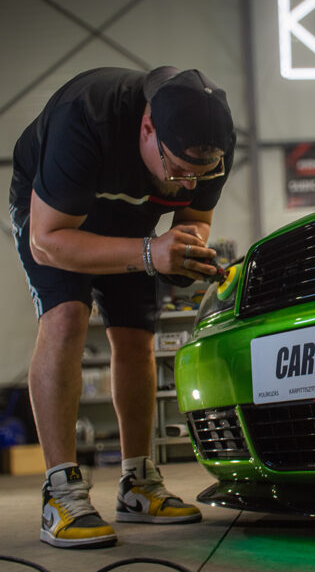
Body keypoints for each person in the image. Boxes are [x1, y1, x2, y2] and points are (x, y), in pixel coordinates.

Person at [8, 66, 236, 549]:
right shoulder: (85, 117)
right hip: (55, 214)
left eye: (200, 175)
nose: (186, 185)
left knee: (136, 337)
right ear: (148, 128)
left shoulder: (211, 144)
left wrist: (187, 249)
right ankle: (60, 492)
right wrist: (150, 253)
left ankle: (138, 484)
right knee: (67, 317)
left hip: (132, 217)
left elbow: (196, 216)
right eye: (178, 171)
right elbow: (47, 242)